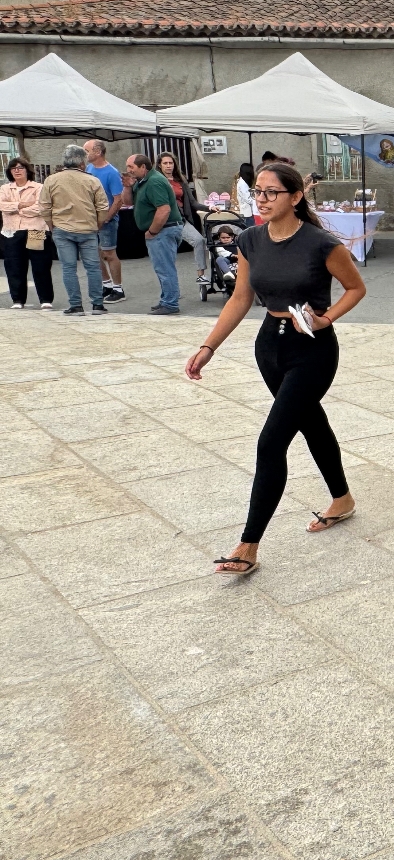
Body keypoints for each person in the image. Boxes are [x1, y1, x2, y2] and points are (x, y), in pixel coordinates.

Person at [185, 162, 368, 577]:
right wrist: (208, 346)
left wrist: (327, 318)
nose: (262, 199)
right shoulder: (250, 239)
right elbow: (240, 298)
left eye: (271, 192)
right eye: (258, 192)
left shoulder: (321, 243)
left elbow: (356, 288)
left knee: (270, 443)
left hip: (312, 349)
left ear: (295, 197)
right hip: (269, 345)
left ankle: (248, 545)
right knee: (311, 423)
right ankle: (342, 499)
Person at [39, 145, 109, 315]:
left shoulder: (51, 180)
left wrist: (51, 225)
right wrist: (98, 224)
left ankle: (76, 305)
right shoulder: (92, 180)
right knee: (93, 268)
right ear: (82, 163)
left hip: (62, 228)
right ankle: (98, 304)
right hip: (88, 229)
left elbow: (44, 207)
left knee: (68, 268)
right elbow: (103, 206)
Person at [126, 154, 182, 315]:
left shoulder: (154, 181)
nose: (128, 170)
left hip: (164, 230)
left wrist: (152, 231)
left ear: (143, 167)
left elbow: (164, 209)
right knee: (163, 267)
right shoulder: (142, 181)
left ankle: (170, 303)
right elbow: (128, 202)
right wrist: (127, 186)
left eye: (131, 167)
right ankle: (167, 300)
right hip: (163, 230)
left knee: (165, 268)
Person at [0, 159, 54, 309]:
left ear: (27, 170)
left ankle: (45, 299)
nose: (17, 171)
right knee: (14, 266)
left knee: (40, 265)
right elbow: (2, 206)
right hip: (12, 231)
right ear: (10, 172)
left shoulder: (39, 187)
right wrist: (21, 205)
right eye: (13, 168)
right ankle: (18, 300)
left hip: (36, 230)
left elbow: (40, 208)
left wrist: (16, 209)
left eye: (20, 168)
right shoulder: (4, 188)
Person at [84, 139, 126, 304]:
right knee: (96, 253)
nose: (85, 154)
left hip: (107, 220)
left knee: (109, 253)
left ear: (98, 152)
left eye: (87, 151)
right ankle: (107, 284)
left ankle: (118, 289)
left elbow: (118, 200)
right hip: (91, 219)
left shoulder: (112, 172)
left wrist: (106, 218)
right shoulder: (89, 169)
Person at [157, 152, 208, 282]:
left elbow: (193, 203)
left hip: (181, 220)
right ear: (159, 165)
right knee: (168, 255)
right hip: (165, 221)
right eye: (165, 163)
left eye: (171, 163)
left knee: (199, 240)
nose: (168, 166)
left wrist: (209, 208)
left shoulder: (180, 181)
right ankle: (169, 283)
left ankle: (201, 275)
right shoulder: (156, 181)